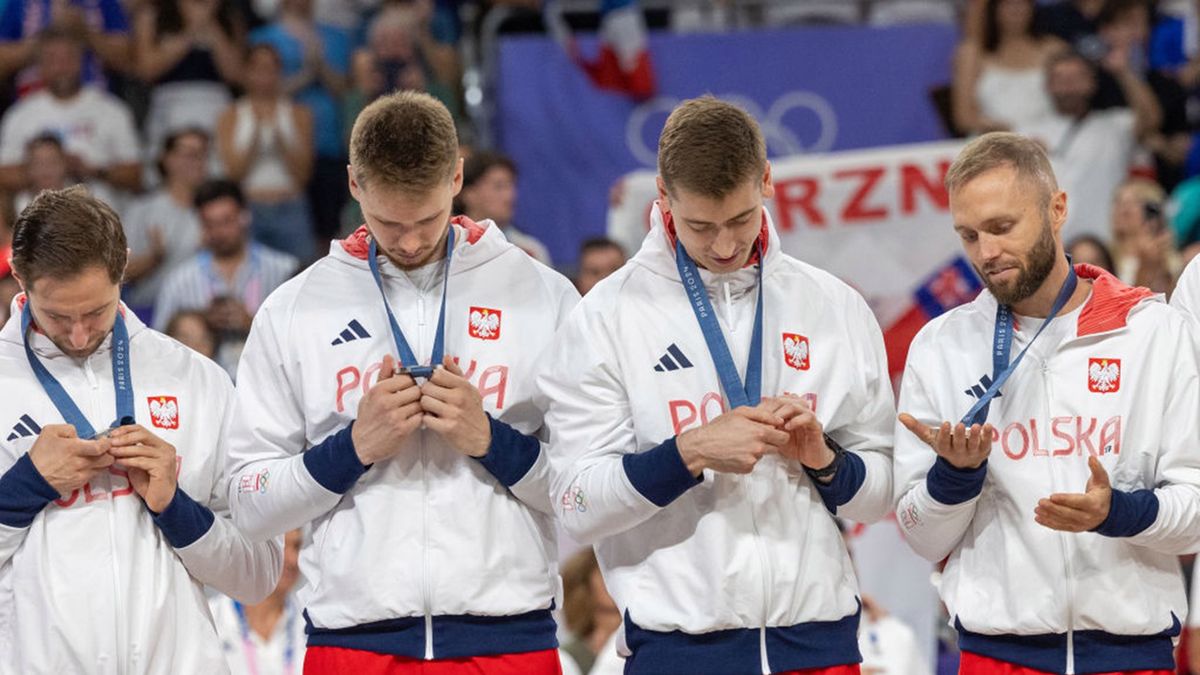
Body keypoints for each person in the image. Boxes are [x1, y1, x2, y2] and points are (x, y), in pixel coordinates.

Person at [538, 96, 896, 672]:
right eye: (700, 226)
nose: (725, 246)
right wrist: (691, 451)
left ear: (767, 183)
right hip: (679, 650)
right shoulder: (605, 317)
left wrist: (825, 459)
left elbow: (880, 495)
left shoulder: (834, 307)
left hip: (820, 643)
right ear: (663, 196)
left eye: (740, 219)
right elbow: (577, 504)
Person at [225, 90, 579, 672]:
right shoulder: (294, 309)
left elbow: (584, 495)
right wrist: (353, 449)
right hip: (353, 641)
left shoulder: (542, 295)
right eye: (388, 222)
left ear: (458, 176)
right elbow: (250, 506)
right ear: (354, 185)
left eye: (427, 219)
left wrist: (492, 440)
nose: (410, 241)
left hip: (510, 638)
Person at [893, 132, 1200, 673]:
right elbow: (919, 533)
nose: (986, 253)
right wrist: (954, 478)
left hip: (1133, 655)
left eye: (1002, 227)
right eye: (968, 235)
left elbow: (1195, 514)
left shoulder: (1154, 332)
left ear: (1057, 209)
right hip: (996, 656)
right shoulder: (942, 346)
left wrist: (1121, 512)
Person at [0, 186, 282, 672]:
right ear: (19, 276)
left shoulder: (197, 379)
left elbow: (257, 575)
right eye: (58, 316)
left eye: (95, 311)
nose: (80, 334)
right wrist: (23, 489)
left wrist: (177, 508)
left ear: (124, 268)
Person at [153, 179, 299, 375]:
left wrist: (252, 322)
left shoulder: (284, 271)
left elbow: (301, 339)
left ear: (245, 217)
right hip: (201, 387)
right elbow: (157, 347)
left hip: (268, 382)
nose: (218, 232)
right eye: (209, 224)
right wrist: (201, 324)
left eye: (225, 221)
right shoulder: (179, 281)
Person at [1017, 49, 1160, 240]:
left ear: (1093, 83)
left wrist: (1123, 72)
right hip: (1053, 243)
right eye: (1061, 77)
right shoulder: (1025, 133)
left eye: (1077, 77)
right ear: (1047, 85)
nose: (1069, 84)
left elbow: (1152, 119)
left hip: (1108, 240)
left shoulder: (1115, 125)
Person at [0, 27, 142, 209]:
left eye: (68, 58)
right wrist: (49, 169)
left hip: (99, 223)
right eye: (53, 59)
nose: (62, 67)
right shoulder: (20, 114)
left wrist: (91, 170)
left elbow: (135, 175)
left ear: (82, 62)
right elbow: (3, 175)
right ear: (40, 65)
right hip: (37, 226)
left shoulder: (111, 109)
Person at [216, 43, 316, 262]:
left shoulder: (299, 114)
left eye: (270, 69)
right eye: (257, 68)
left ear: (279, 73)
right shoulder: (231, 115)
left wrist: (279, 137)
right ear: (246, 72)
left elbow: (303, 175)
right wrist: (256, 134)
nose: (264, 76)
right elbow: (233, 174)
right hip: (250, 207)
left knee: (300, 272)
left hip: (290, 205)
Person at [133, 0, 245, 163]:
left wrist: (211, 23)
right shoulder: (153, 15)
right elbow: (147, 70)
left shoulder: (228, 18)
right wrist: (192, 30)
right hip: (169, 105)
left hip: (216, 106)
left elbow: (236, 74)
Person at [123, 127, 211, 316]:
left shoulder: (215, 210)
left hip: (201, 312)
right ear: (167, 158)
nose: (196, 161)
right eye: (188, 154)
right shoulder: (142, 209)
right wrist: (153, 259)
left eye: (201, 154)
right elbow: (119, 271)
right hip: (149, 309)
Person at [952, 0, 1063, 135]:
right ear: (993, 9)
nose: (1015, 9)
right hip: (992, 141)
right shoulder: (972, 53)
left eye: (1022, 3)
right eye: (1008, 4)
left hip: (1049, 139)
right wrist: (1005, 132)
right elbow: (964, 118)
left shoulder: (1054, 49)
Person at [211, 529, 307, 675]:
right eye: (282, 547)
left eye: (296, 546)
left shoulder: (311, 624)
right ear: (255, 548)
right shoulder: (212, 618)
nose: (292, 559)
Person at [458, 151, 553, 266]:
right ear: (469, 193)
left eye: (511, 186)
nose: (510, 196)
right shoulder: (447, 247)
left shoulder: (530, 251)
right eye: (499, 187)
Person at [15, 132, 78, 213]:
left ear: (64, 164)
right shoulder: (20, 203)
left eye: (52, 162)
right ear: (29, 169)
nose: (46, 169)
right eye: (38, 163)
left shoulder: (84, 199)